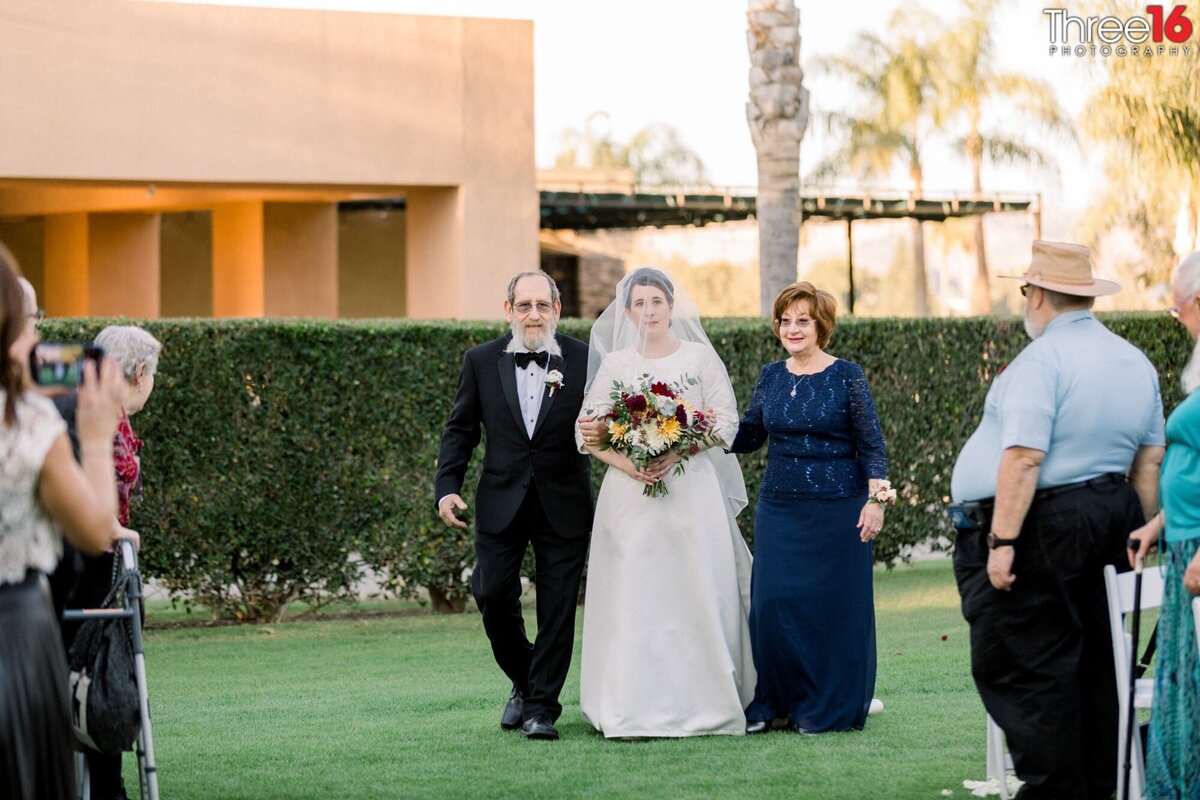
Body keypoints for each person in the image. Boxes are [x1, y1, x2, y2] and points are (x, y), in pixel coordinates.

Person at [950, 240, 1166, 799]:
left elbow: (1023, 457)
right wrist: (1138, 535)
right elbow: (1149, 463)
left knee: (1026, 664)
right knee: (1094, 664)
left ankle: (1053, 790)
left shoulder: (1041, 360)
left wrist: (1001, 542)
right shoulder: (1133, 360)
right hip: (1109, 517)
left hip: (1037, 529)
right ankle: (1097, 786)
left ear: (1038, 294)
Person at [574, 267, 754, 738]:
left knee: (694, 589)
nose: (649, 311)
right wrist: (629, 463)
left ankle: (707, 701)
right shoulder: (616, 365)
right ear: (628, 312)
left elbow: (726, 422)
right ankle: (628, 705)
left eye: (657, 301)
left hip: (690, 491)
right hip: (630, 497)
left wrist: (678, 447)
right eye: (640, 303)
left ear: (672, 307)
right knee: (637, 593)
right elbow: (587, 432)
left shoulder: (698, 358)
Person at [434, 270, 593, 741]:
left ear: (557, 310)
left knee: (558, 609)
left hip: (565, 502)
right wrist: (447, 487)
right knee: (491, 593)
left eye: (542, 305)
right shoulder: (480, 361)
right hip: (499, 500)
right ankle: (525, 683)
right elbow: (460, 430)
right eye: (524, 305)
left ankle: (541, 709)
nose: (533, 314)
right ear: (508, 310)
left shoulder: (587, 360)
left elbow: (607, 426)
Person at [727, 281, 889, 734]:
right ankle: (772, 705)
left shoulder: (847, 375)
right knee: (773, 606)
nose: (792, 328)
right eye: (785, 320)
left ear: (822, 326)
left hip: (840, 509)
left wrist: (876, 502)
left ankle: (826, 708)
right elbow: (750, 434)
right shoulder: (771, 375)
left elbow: (872, 446)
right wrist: (700, 429)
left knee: (831, 611)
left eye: (803, 320)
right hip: (779, 509)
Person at [0, 248, 128, 799]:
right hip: (14, 643)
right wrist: (96, 436)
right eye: (32, 322)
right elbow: (96, 530)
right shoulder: (28, 420)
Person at [56, 325, 161, 800]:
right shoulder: (106, 421)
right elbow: (101, 495)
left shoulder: (78, 407)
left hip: (81, 562)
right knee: (102, 682)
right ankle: (106, 789)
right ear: (140, 372)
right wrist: (116, 531)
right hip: (95, 566)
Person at [1128, 250, 1200, 799]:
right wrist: (1159, 524)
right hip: (1181, 540)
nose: (1178, 320)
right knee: (1183, 687)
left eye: (1177, 310)